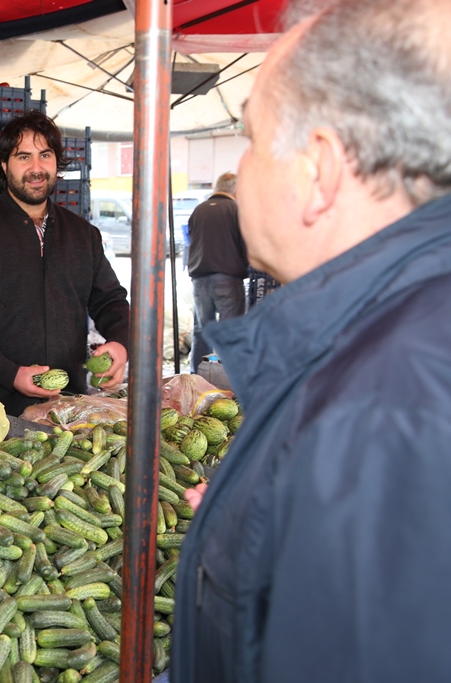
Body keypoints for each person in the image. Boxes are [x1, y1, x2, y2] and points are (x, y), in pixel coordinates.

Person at [172, 1, 451, 681]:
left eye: (253, 137)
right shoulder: (397, 335)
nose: (245, 167)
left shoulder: (386, 413)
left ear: (318, 170)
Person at [0, 111, 129, 417]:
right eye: (23, 157)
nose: (36, 168)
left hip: (66, 404)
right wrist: (10, 373)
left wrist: (120, 342)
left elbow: (110, 300)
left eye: (45, 156)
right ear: (4, 165)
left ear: (56, 163)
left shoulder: (82, 233)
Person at [186, 172, 247, 372]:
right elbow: (246, 245)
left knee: (201, 333)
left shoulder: (199, 210)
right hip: (227, 280)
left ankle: (196, 381)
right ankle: (229, 380)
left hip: (199, 280)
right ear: (236, 190)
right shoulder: (236, 210)